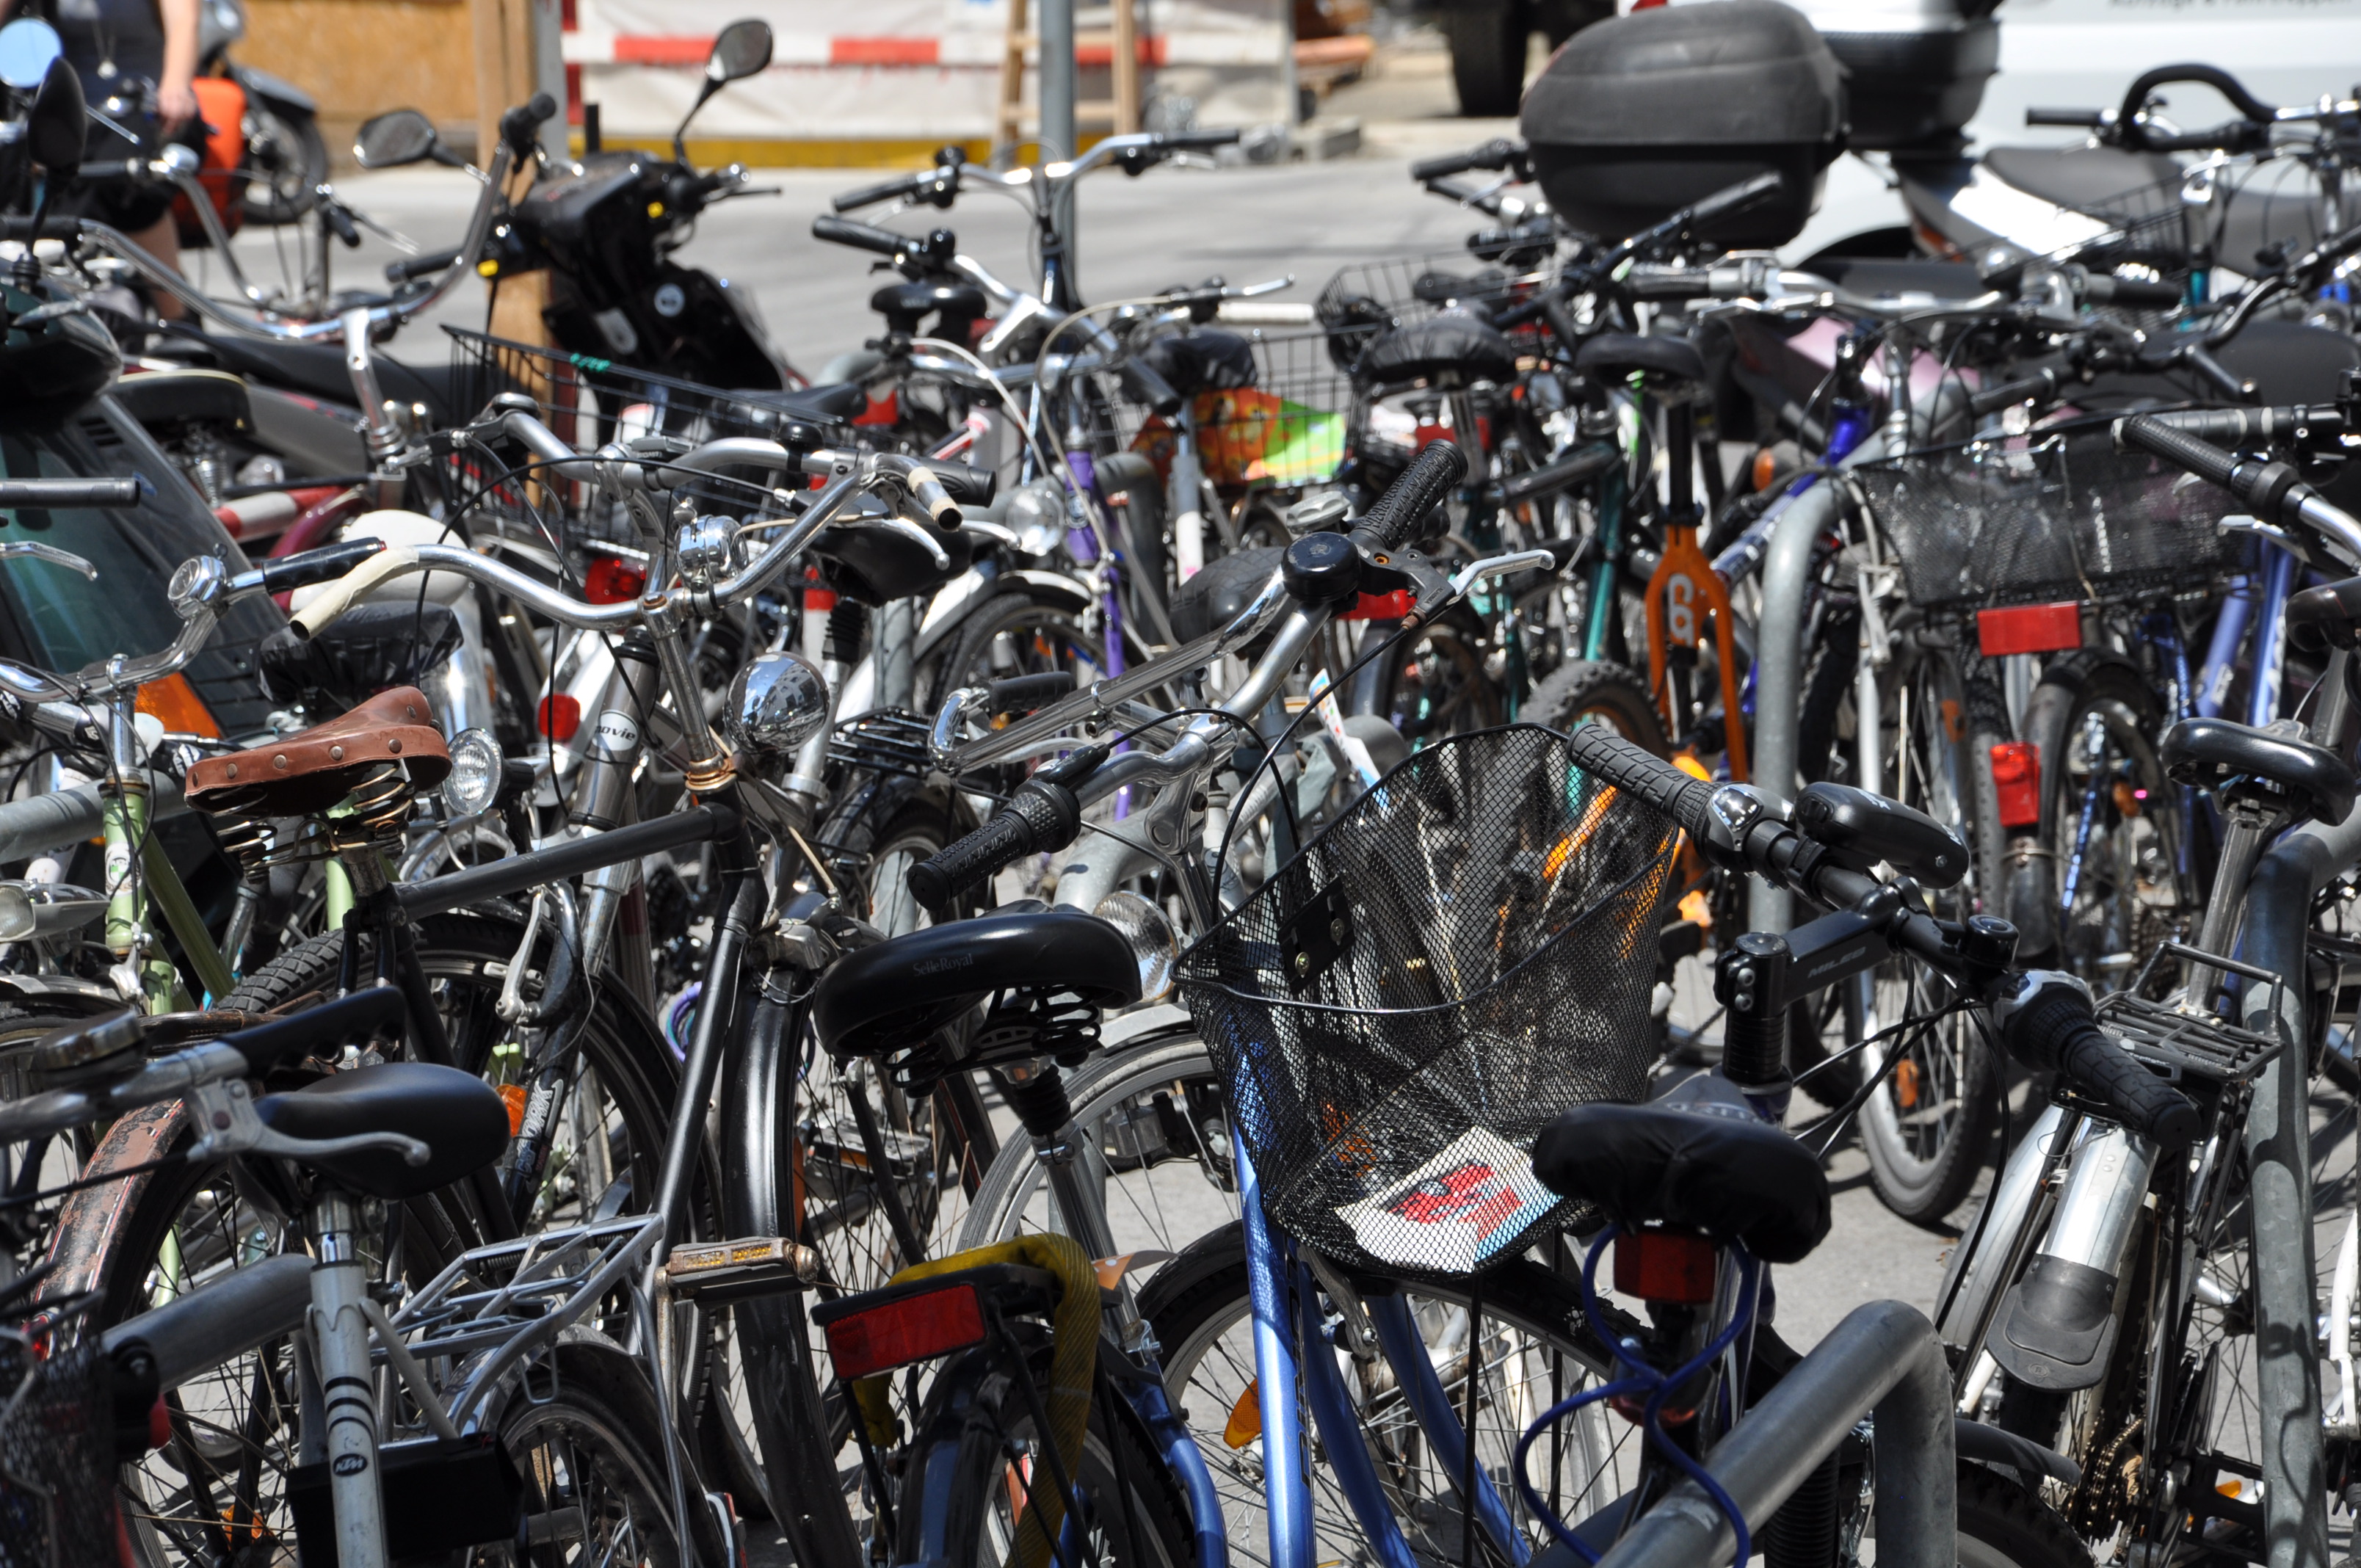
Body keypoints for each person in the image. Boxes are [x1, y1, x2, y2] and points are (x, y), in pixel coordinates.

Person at [2, 0, 199, 313]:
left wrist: (176, 86)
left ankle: (179, 315)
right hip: (72, 111)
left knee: (122, 184)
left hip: (149, 104)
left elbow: (185, 21)